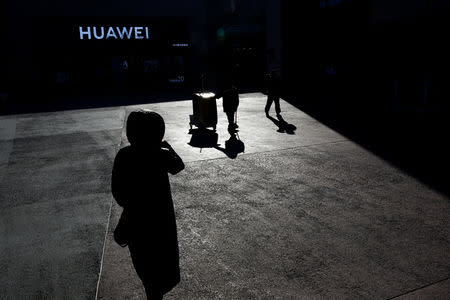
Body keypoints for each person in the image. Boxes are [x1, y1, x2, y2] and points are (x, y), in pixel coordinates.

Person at [111, 109, 185, 299]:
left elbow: (118, 193)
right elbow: (179, 166)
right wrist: (165, 145)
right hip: (162, 222)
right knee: (161, 269)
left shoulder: (124, 155)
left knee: (146, 269)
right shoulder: (160, 154)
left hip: (136, 224)